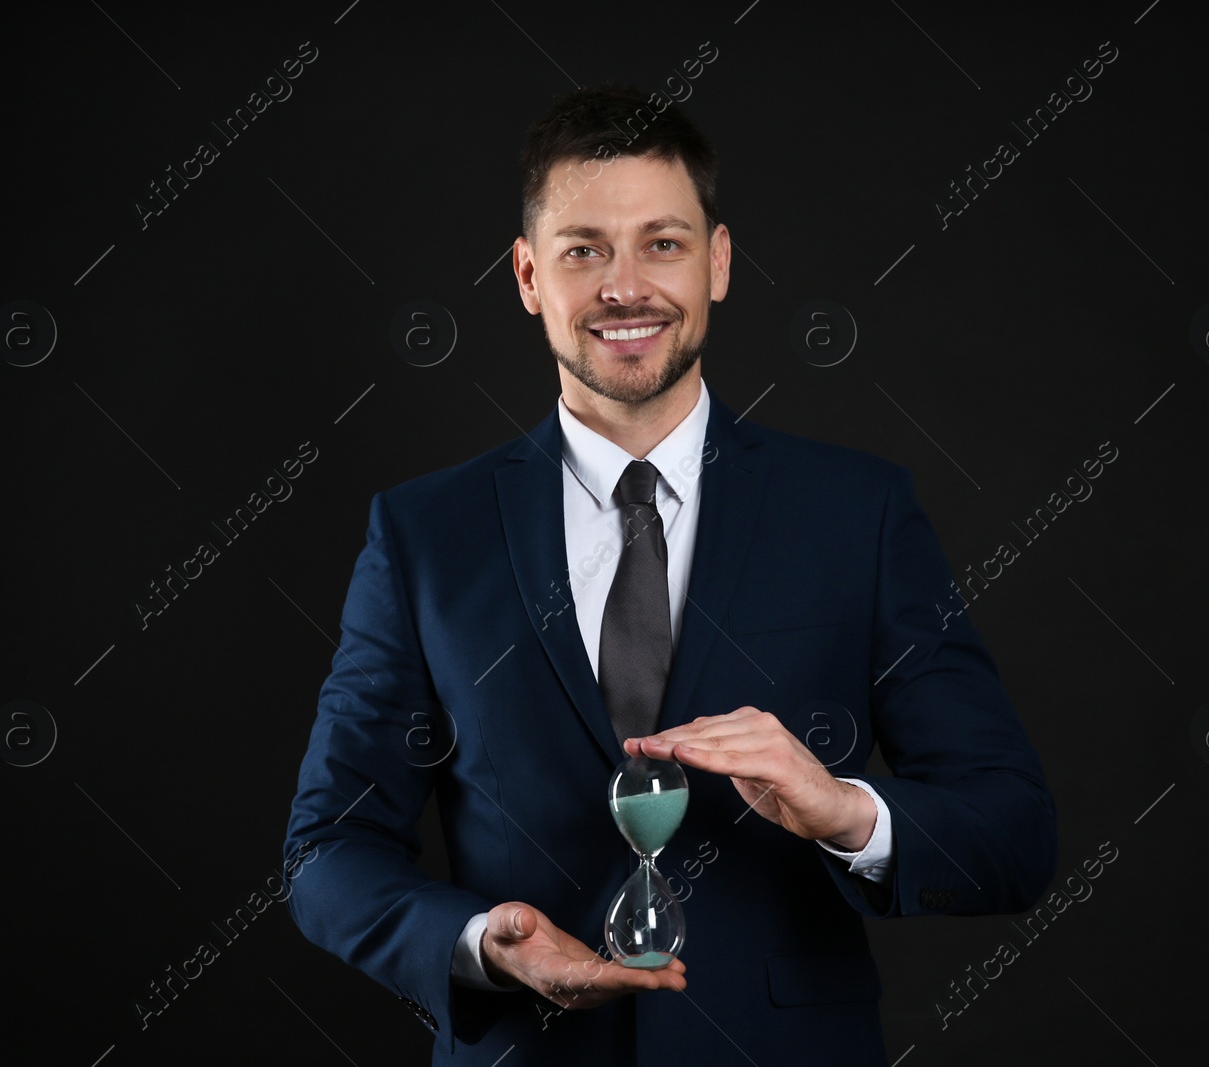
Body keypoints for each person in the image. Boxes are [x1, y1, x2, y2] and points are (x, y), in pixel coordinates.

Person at [283, 83, 1056, 1066]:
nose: (624, 286)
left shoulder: (853, 514)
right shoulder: (424, 532)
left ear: (718, 261)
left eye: (662, 242)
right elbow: (326, 851)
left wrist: (844, 809)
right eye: (582, 250)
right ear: (527, 275)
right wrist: (481, 943)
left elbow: (1015, 830)